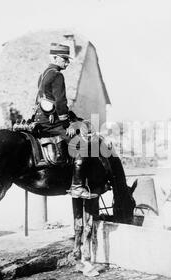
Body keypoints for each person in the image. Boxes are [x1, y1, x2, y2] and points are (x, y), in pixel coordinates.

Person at [32, 43, 97, 199]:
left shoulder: (43, 74)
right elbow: (60, 102)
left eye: (68, 60)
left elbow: (41, 100)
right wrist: (67, 124)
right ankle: (77, 187)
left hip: (40, 119)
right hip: (51, 122)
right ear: (54, 58)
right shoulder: (57, 75)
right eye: (64, 59)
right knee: (82, 145)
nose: (67, 63)